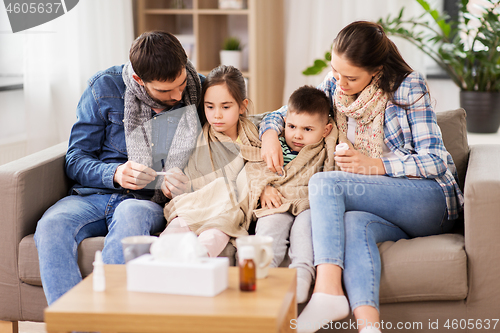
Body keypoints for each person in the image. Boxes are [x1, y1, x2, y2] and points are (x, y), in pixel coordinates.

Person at [259, 21, 464, 333]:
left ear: (376, 69)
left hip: (427, 199)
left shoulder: (408, 87)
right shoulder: (335, 86)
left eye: (350, 77)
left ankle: (327, 290)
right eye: (336, 72)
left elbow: (437, 161)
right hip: (379, 205)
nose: (340, 82)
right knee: (352, 223)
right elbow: (287, 112)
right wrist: (270, 134)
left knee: (325, 183)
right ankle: (369, 327)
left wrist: (375, 165)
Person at [34, 30, 204, 305]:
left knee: (129, 215)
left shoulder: (201, 91)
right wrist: (115, 173)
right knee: (52, 225)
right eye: (164, 90)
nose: (177, 95)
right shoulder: (103, 88)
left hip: (146, 201)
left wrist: (189, 182)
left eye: (181, 84)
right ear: (138, 79)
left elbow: (239, 129)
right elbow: (76, 158)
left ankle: (111, 317)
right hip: (94, 196)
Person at [160, 65, 261, 258]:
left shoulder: (255, 136)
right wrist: (176, 184)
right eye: (210, 106)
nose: (217, 115)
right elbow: (190, 179)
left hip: (228, 210)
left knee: (212, 237)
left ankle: (196, 268)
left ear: (242, 106)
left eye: (226, 106)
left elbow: (259, 172)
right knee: (172, 233)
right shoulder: (198, 137)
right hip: (196, 203)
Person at [251, 85, 339, 303]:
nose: (297, 135)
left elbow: (333, 173)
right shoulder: (276, 143)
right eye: (291, 126)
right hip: (277, 200)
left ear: (326, 130)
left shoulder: (326, 147)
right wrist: (264, 187)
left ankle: (301, 280)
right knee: (269, 229)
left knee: (305, 233)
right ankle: (262, 278)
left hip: (308, 204)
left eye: (307, 129)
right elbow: (253, 167)